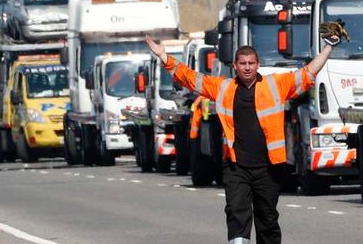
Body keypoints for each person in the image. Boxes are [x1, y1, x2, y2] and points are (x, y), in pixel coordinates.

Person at [144, 31, 338, 244]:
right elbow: (190, 78)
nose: (247, 67)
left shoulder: (275, 84)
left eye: (251, 63)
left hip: (268, 167)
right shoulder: (224, 88)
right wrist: (164, 57)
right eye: (243, 63)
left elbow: (308, 72)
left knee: (268, 220)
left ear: (258, 65)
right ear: (234, 66)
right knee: (236, 213)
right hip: (237, 167)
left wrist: (328, 47)